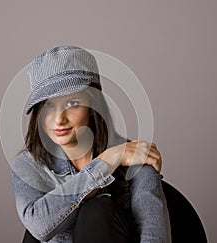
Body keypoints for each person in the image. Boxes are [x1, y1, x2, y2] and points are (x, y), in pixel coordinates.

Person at [10, 45, 171, 242]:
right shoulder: (28, 165)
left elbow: (155, 236)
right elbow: (39, 226)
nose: (59, 119)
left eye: (72, 104)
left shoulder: (135, 158)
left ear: (93, 106)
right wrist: (108, 160)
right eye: (48, 105)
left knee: (96, 211)